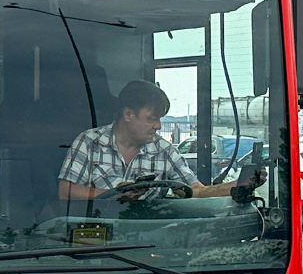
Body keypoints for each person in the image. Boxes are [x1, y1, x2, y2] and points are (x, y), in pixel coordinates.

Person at [58, 80, 260, 202]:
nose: (158, 126)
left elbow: (194, 191)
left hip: (150, 238)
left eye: (159, 119)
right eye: (151, 119)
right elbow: (65, 191)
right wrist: (112, 194)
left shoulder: (163, 150)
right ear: (128, 114)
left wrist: (234, 187)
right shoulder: (89, 143)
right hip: (96, 234)